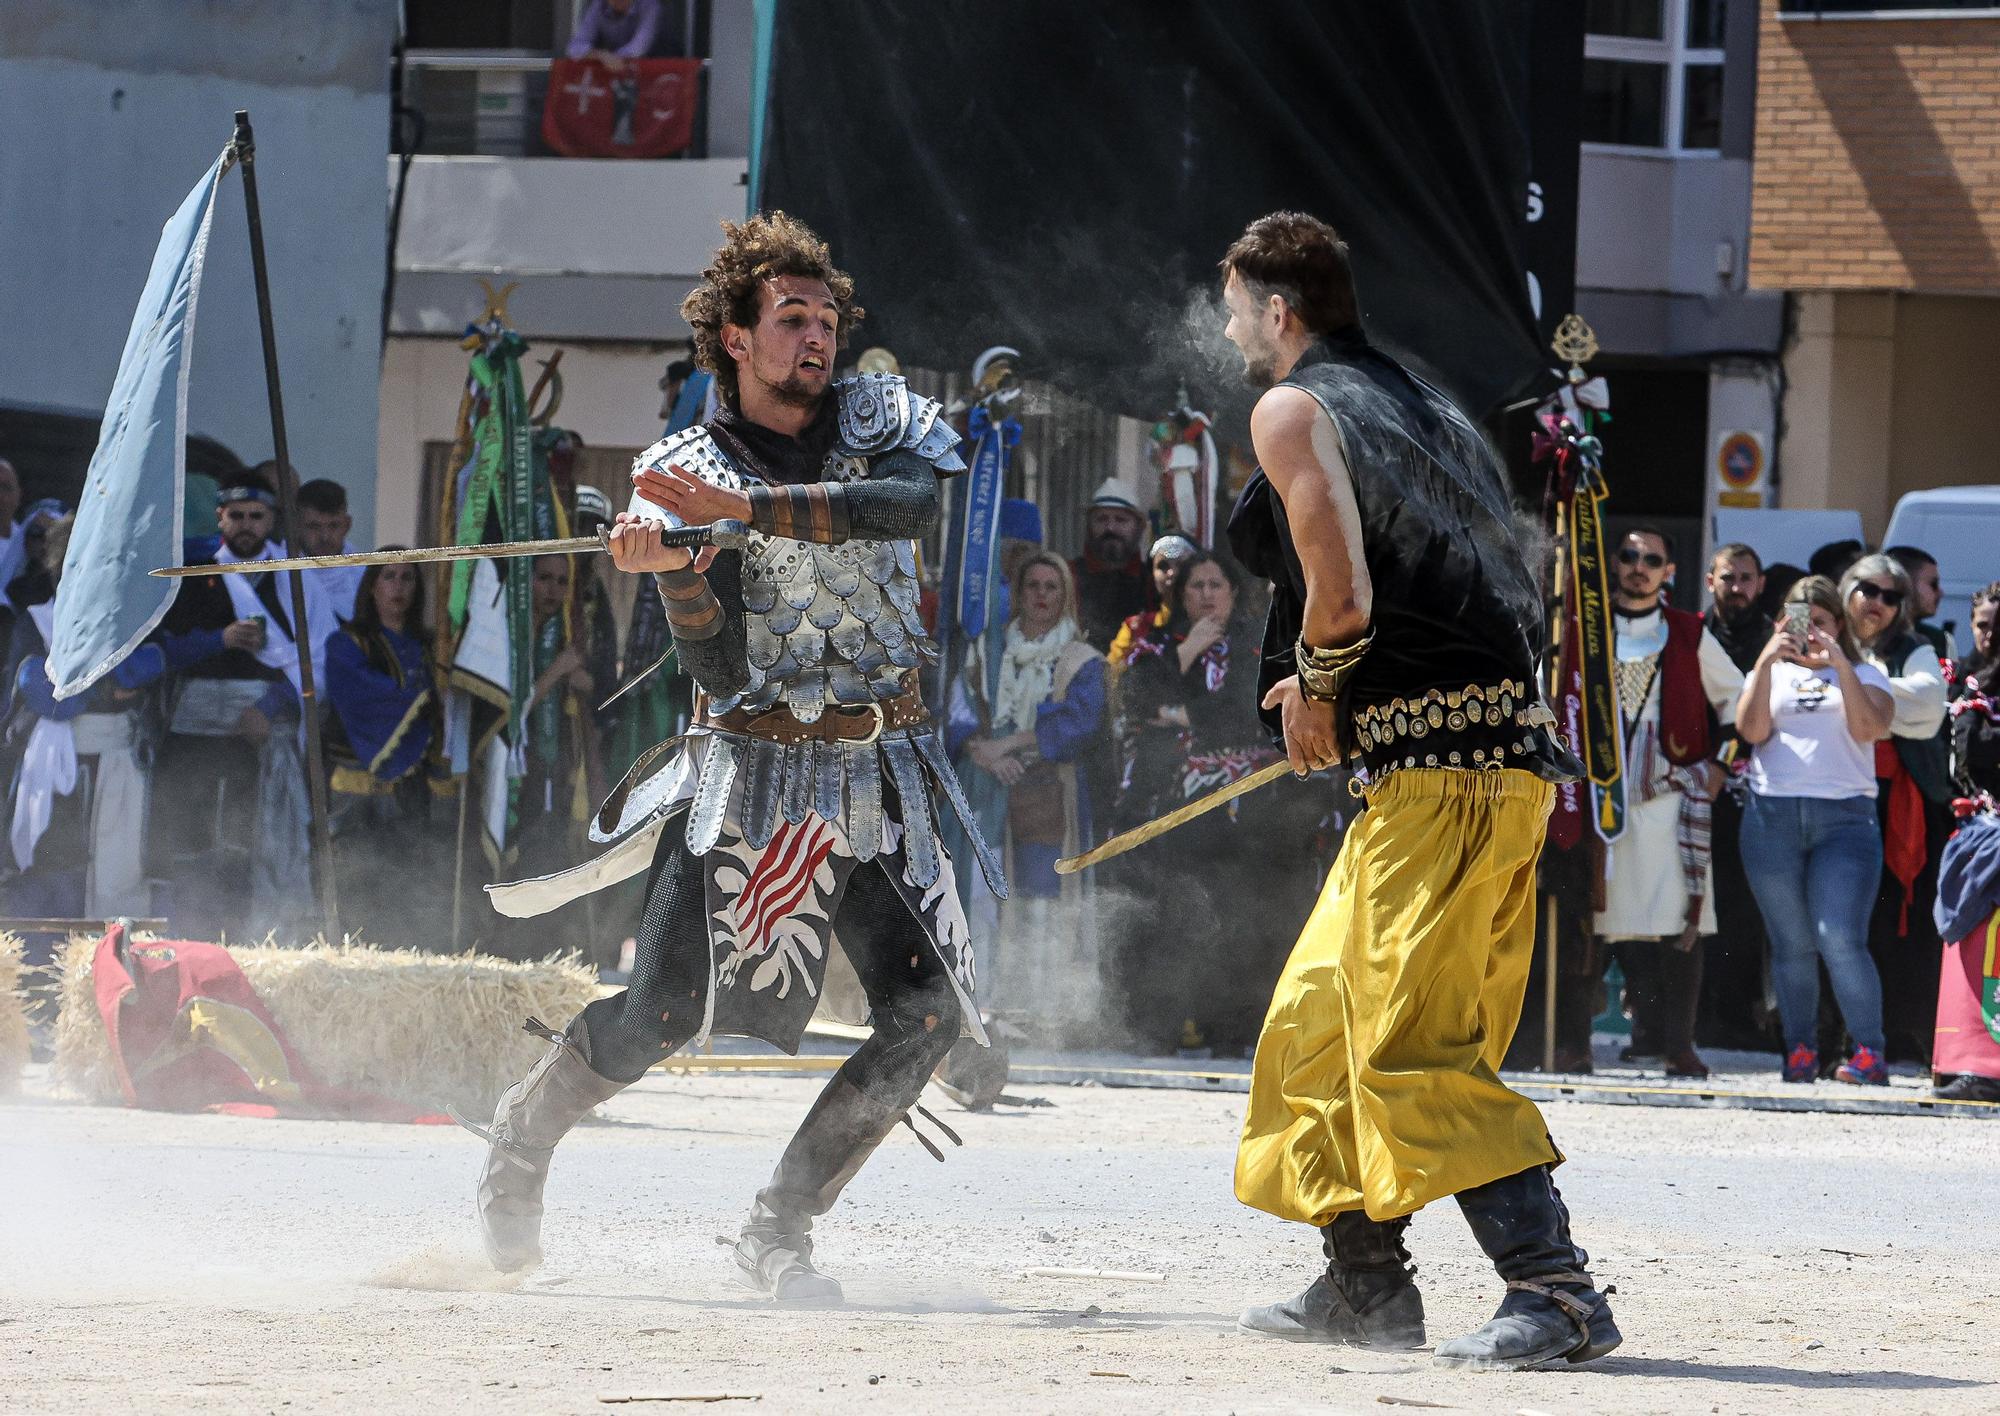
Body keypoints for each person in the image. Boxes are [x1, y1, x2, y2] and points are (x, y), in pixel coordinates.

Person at [464, 212, 1001, 1304]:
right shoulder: (676, 469)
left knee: (926, 1016)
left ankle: (778, 1228)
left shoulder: (880, 415)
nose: (817, 338)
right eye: (791, 319)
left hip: (877, 766)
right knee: (656, 1015)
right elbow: (713, 669)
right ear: (733, 338)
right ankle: (523, 1136)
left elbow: (902, 506)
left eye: (826, 319)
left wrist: (746, 512)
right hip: (752, 770)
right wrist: (670, 570)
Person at [1218, 212, 1616, 1370]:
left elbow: (1338, 603)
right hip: (1458, 776)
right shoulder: (1423, 403)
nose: (1226, 323)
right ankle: (1365, 1290)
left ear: (1276, 311)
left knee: (1409, 1045)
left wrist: (1314, 684)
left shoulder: (1293, 406)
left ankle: (1558, 1294)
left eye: (1234, 303)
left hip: (1447, 779)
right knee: (1313, 1031)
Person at [1110, 550, 1309, 1056]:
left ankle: (1238, 1030)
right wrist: (1185, 653)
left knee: (1243, 911)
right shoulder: (1156, 641)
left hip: (1250, 809)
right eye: (1195, 586)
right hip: (1174, 805)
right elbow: (1135, 697)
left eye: (1214, 585)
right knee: (1176, 910)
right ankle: (1164, 1025)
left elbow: (1252, 714)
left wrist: (1182, 714)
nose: (1204, 595)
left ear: (1233, 592)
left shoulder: (1258, 646)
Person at [1562, 527, 1741, 1080]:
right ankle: (1574, 1044)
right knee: (1590, 923)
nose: (1638, 566)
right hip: (1597, 799)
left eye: (1651, 560)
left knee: (1681, 928)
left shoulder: (1689, 633)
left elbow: (1736, 698)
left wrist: (1720, 765)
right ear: (1615, 563)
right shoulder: (1583, 632)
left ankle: (1677, 1045)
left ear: (1670, 572)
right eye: (1629, 555)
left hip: (1669, 801)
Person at [1734, 575, 1896, 1085]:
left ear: (1840, 625)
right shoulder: (1770, 674)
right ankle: (1799, 1050)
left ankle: (1869, 1052)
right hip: (1772, 818)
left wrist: (1839, 663)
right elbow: (1752, 732)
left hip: (1843, 821)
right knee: (1791, 943)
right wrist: (1765, 660)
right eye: (1799, 623)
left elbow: (1870, 729)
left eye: (1821, 623)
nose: (1810, 634)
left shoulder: (1868, 672)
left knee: (1839, 936)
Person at [149, 475, 309, 942]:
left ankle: (244, 944)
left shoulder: (292, 575)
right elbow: (165, 647)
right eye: (235, 515)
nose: (245, 525)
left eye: (256, 516)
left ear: (272, 520)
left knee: (247, 843)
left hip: (258, 729)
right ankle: (189, 942)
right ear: (220, 517)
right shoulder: (194, 573)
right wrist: (217, 640)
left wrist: (272, 705)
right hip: (193, 731)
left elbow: (314, 654)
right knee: (189, 842)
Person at [947, 550, 1105, 1018]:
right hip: (987, 788)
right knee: (981, 893)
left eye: (1050, 587)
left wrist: (1009, 745)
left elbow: (1081, 724)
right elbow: (959, 706)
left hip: (1048, 794)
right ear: (1017, 593)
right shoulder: (988, 649)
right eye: (1032, 585)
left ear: (1066, 595)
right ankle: (985, 1002)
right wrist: (984, 752)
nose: (1040, 595)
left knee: (1043, 897)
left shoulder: (1082, 660)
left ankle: (1039, 1009)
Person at [0, 515, 169, 920]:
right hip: (56, 769)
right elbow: (42, 692)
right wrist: (104, 689)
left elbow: (151, 669)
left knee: (120, 875)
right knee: (52, 872)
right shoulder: (39, 621)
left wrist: (116, 681)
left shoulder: (135, 625)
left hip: (119, 762)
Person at [1844, 554, 1952, 1064]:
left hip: (1903, 806)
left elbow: (1929, 707)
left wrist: (1858, 698)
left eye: (1892, 596)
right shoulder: (1830, 641)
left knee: (1903, 924)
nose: (1879, 604)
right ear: (1847, 589)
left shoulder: (1915, 647)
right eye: (1869, 590)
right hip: (1839, 797)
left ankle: (1907, 1033)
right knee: (1845, 923)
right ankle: (1837, 1036)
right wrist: (1879, 705)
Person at [321, 556, 451, 949]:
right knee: (357, 882)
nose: (399, 587)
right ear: (371, 587)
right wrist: (423, 698)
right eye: (389, 577)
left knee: (408, 879)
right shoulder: (347, 643)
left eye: (408, 578)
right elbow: (362, 697)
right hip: (357, 789)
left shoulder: (430, 648)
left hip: (414, 790)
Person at [1700, 541, 1775, 1050]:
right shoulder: (1689, 634)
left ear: (1761, 584)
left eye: (1746, 578)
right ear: (1711, 581)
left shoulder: (1775, 639)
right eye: (1729, 577)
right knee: (1705, 904)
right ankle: (1696, 1019)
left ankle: (1741, 1018)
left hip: (1764, 792)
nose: (1738, 587)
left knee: (1749, 912)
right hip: (1702, 789)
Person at [292, 477, 366, 667]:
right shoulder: (280, 570)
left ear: (347, 524)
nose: (325, 537)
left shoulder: (367, 574)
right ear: (296, 525)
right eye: (314, 527)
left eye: (333, 526)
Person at [1070, 479, 1151, 651]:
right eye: (1101, 519)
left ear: (1139, 527)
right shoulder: (1069, 576)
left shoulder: (1153, 583)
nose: (1110, 528)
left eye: (1121, 520)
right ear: (1089, 526)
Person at [1106, 533, 1199, 676]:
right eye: (1163, 566)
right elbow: (1110, 680)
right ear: (1152, 575)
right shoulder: (1134, 629)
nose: (1172, 573)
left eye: (1181, 565)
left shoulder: (1216, 625)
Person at [1949, 581, 2000, 799]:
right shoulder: (1954, 677)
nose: (1990, 634)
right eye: (1983, 625)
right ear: (1971, 624)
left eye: (1998, 626)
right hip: (1957, 802)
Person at [1886, 545, 1950, 660]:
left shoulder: (1942, 641)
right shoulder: (1866, 637)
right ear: (1906, 584)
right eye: (1933, 584)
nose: (1940, 593)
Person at [566, 0, 674, 68]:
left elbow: (638, 49)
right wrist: (600, 55)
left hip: (660, 73)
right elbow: (574, 47)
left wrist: (610, 58)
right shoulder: (598, 5)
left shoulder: (650, 5)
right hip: (617, 74)